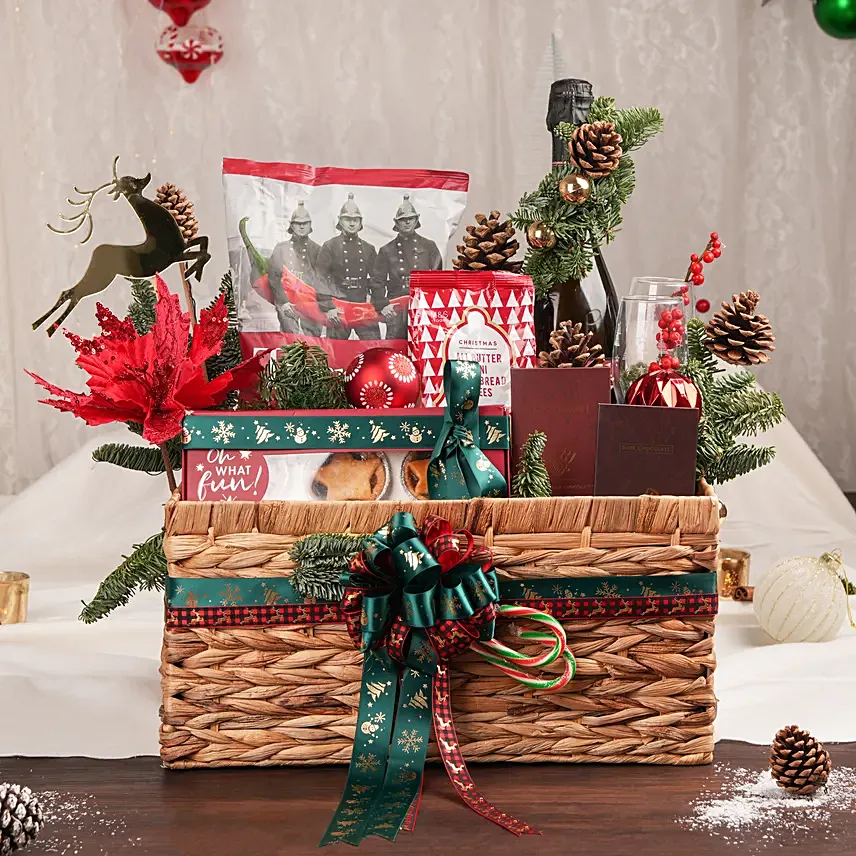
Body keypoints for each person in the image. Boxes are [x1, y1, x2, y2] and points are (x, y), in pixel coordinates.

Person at [371, 194, 443, 340]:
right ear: (396, 223)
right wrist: (383, 305)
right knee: (394, 345)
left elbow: (438, 278)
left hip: (422, 303)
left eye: (410, 218)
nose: (407, 222)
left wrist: (433, 303)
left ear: (416, 220)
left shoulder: (429, 246)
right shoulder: (386, 250)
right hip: (396, 305)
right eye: (403, 219)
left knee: (423, 343)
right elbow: (377, 281)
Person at [316, 193, 378, 339]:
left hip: (362, 306)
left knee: (374, 346)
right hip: (338, 308)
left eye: (355, 220)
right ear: (340, 221)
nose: (351, 223)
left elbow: (377, 280)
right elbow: (320, 279)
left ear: (360, 222)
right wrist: (328, 307)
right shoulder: (330, 246)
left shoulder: (368, 248)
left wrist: (375, 305)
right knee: (334, 349)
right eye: (347, 219)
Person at [267, 201, 322, 335]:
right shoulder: (281, 249)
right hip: (287, 301)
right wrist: (283, 302)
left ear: (310, 225)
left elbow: (322, 279)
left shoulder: (317, 249)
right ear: (292, 225)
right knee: (289, 338)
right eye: (298, 223)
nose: (301, 226)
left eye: (305, 223)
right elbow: (274, 277)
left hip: (310, 302)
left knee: (313, 339)